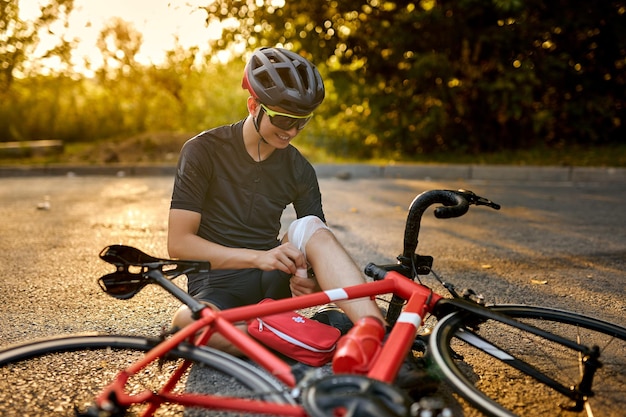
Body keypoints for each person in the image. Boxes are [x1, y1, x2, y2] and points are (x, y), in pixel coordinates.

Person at [168, 47, 385, 355]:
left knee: (310, 225)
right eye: (283, 120)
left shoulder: (299, 168)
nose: (292, 132)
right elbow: (179, 244)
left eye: (302, 122)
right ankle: (311, 333)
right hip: (216, 286)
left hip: (273, 281)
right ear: (253, 105)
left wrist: (309, 281)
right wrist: (257, 257)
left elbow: (319, 249)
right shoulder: (203, 151)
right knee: (188, 326)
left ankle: (375, 335)